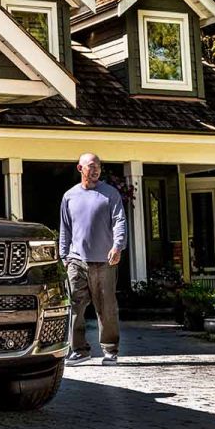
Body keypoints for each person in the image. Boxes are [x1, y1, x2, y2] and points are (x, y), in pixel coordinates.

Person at [58, 153, 127, 366]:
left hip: (104, 261)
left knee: (106, 307)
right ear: (80, 168)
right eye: (91, 166)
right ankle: (79, 350)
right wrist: (63, 256)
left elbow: (119, 222)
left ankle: (110, 350)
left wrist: (118, 246)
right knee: (75, 307)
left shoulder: (110, 194)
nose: (96, 169)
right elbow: (65, 228)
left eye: (98, 166)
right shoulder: (69, 196)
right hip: (76, 260)